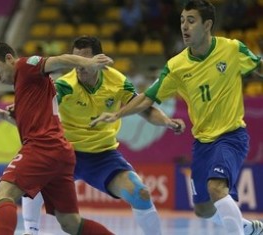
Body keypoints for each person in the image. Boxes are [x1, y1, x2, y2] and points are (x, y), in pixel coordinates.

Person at [90, 1, 263, 235]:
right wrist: (118, 114)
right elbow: (147, 98)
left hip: (230, 136)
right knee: (202, 208)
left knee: (216, 188)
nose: (184, 26)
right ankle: (247, 228)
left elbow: (258, 67)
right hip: (202, 143)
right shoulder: (176, 66)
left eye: (191, 21)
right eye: (182, 21)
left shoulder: (232, 49)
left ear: (207, 25)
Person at [0, 36, 185, 235]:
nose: (79, 66)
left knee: (140, 194)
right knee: (58, 209)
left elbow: (144, 108)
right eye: (77, 60)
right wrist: (9, 115)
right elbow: (39, 119)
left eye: (85, 60)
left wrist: (167, 121)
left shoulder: (117, 81)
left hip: (101, 156)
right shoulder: (64, 86)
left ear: (97, 59)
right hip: (67, 149)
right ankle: (31, 230)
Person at [0, 40, 115, 235]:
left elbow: (60, 60)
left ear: (9, 59)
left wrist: (88, 63)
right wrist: (3, 116)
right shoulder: (26, 84)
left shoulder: (26, 66)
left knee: (4, 193)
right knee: (70, 223)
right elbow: (33, 125)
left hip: (42, 148)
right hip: (59, 152)